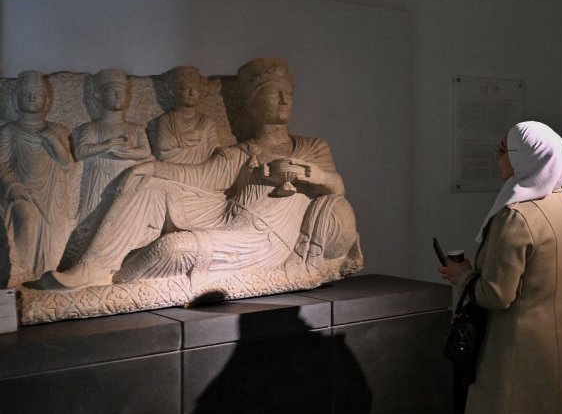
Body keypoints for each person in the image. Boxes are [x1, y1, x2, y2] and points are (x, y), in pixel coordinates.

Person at [44, 57, 359, 291]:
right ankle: (94, 268)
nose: (284, 99)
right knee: (152, 188)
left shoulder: (312, 148)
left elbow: (337, 189)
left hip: (261, 238)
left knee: (173, 249)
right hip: (225, 214)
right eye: (274, 93)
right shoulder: (241, 152)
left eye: (287, 92)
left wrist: (315, 175)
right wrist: (151, 167)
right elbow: (200, 176)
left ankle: (120, 285)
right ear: (251, 103)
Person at [439, 121, 562, 414]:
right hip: (557, 347)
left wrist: (462, 275)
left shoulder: (517, 218)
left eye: (503, 149)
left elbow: (497, 294)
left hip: (519, 352)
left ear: (525, 157)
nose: (498, 157)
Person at [0, 71, 77, 285]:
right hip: (21, 192)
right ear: (16, 100)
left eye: (37, 93)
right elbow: (1, 163)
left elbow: (67, 163)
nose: (32, 97)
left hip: (53, 197)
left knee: (55, 242)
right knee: (27, 219)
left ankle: (46, 276)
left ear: (47, 100)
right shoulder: (10, 131)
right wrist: (12, 186)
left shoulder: (58, 130)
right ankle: (21, 272)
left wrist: (52, 139)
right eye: (26, 93)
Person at [73, 68, 153, 222]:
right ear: (99, 95)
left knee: (127, 222)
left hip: (127, 181)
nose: (118, 95)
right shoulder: (91, 128)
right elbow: (81, 151)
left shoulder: (136, 129)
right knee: (95, 222)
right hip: (100, 181)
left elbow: (145, 151)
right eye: (112, 90)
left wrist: (129, 152)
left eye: (122, 91)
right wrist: (108, 145)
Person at [149, 66, 222, 164]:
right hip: (173, 167)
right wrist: (189, 136)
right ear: (173, 92)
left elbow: (213, 146)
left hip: (202, 168)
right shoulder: (166, 119)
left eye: (195, 89)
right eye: (186, 88)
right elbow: (162, 146)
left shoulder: (207, 122)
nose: (191, 93)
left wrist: (220, 150)